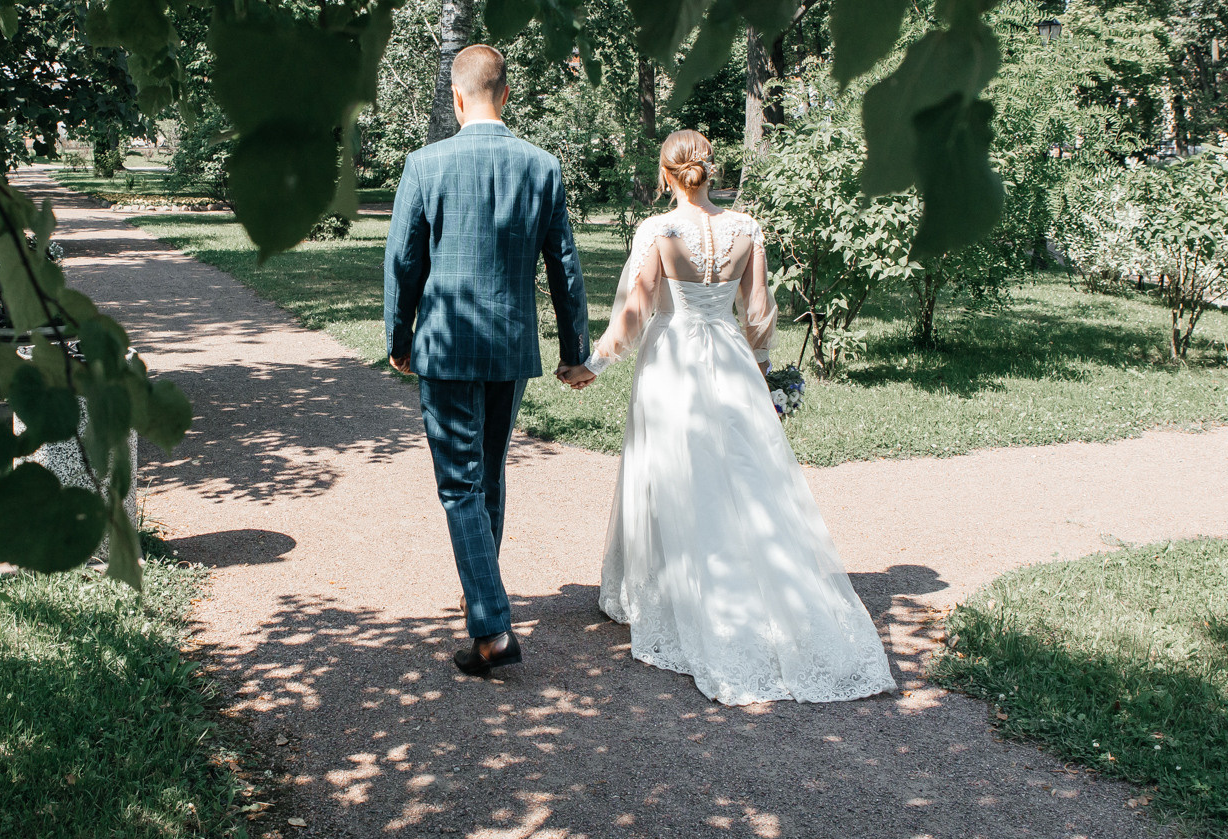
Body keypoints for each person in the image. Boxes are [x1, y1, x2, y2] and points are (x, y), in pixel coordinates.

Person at [574, 129, 895, 705]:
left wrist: (595, 363)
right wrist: (765, 373)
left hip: (673, 360)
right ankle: (752, 578)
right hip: (730, 357)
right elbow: (758, 310)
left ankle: (675, 594)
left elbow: (637, 307)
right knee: (742, 472)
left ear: (667, 174)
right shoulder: (746, 228)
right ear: (709, 169)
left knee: (673, 468)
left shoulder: (659, 230)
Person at [383, 44, 591, 677]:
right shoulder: (542, 166)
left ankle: (493, 627)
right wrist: (574, 350)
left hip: (446, 344)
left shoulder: (424, 164)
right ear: (506, 94)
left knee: (460, 485)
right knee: (489, 475)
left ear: (456, 96)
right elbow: (565, 266)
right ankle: (485, 605)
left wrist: (398, 338)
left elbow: (404, 262)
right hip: (508, 345)